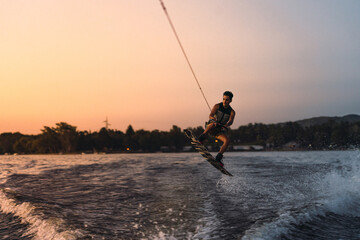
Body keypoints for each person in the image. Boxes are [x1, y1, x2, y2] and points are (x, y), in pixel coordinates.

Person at [198, 91, 235, 165]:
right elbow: (210, 115)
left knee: (227, 141)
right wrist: (213, 119)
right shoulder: (217, 106)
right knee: (213, 124)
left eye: (227, 100)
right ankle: (201, 138)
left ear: (230, 100)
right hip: (210, 128)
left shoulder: (232, 112)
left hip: (218, 131)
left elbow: (230, 121)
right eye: (223, 99)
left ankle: (218, 158)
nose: (224, 101)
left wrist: (227, 125)